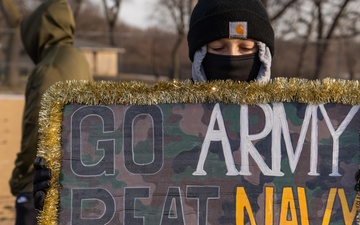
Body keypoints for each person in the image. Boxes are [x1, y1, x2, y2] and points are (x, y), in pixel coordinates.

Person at [32, 0, 275, 211]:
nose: (232, 59)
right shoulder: (168, 121)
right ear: (200, 54)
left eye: (245, 48)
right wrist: (64, 191)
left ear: (263, 54)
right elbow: (128, 195)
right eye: (218, 48)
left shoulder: (296, 122)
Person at [9, 0, 93, 224]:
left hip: (40, 187)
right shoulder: (79, 59)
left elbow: (36, 128)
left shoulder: (47, 68)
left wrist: (20, 179)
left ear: (39, 31)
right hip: (76, 180)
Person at [188, 0, 274, 83]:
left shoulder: (282, 98)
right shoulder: (179, 97)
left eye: (245, 48)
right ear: (198, 53)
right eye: (218, 48)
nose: (232, 55)